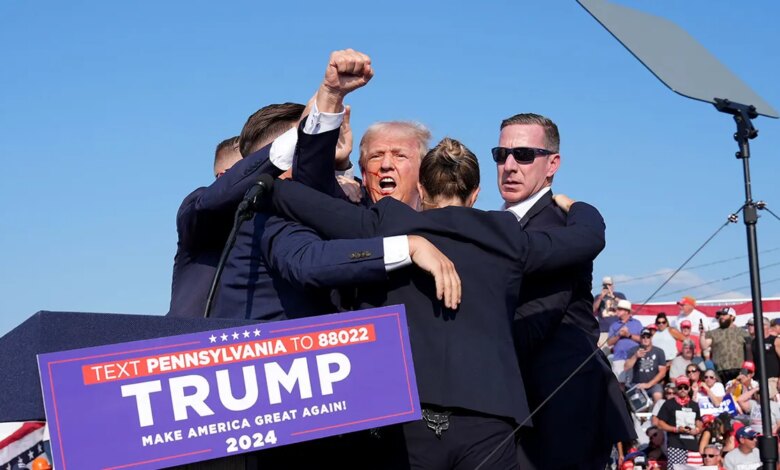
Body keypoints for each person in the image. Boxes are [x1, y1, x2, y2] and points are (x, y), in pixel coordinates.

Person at [265, 135, 607, 469]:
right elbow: (588, 237)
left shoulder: (388, 223)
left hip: (402, 417)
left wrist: (340, 182)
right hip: (488, 417)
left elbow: (289, 196)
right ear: (475, 194)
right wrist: (574, 206)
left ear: (422, 191)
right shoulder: (508, 237)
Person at [494, 112, 634, 468]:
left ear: (552, 163)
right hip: (525, 406)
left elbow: (533, 320)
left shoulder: (558, 225)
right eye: (501, 154)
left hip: (561, 409)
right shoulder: (498, 224)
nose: (509, 165)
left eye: (524, 155)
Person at [167, 136, 242, 317]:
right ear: (224, 176)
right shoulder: (199, 206)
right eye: (250, 169)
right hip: (189, 339)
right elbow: (205, 208)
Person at [655, 375, 703, 466]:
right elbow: (660, 423)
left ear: (689, 389)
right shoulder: (669, 404)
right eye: (680, 387)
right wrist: (676, 429)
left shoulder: (694, 405)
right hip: (676, 444)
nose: (683, 389)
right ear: (676, 389)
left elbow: (699, 422)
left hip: (692, 445)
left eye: (685, 387)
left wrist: (696, 430)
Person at [700, 306, 751, 383]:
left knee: (737, 393)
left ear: (732, 317)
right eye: (720, 315)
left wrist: (745, 370)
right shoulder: (713, 333)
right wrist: (702, 334)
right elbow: (704, 346)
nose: (721, 317)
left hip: (738, 370)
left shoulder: (743, 332)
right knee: (723, 394)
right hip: (720, 371)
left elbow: (749, 353)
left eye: (724, 315)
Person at [624, 327, 667, 402]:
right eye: (643, 337)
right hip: (637, 384)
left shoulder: (659, 351)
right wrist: (635, 356)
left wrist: (648, 385)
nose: (645, 339)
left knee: (658, 396)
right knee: (639, 405)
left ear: (651, 338)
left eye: (648, 337)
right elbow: (626, 368)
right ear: (640, 338)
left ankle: (656, 414)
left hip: (654, 384)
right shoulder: (633, 350)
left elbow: (662, 373)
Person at [607, 299, 644, 384]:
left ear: (626, 311)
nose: (617, 311)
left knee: (632, 382)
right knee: (620, 383)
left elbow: (642, 340)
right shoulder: (614, 325)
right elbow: (609, 342)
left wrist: (628, 335)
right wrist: (619, 335)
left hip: (633, 357)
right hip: (619, 357)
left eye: (620, 309)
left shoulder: (637, 323)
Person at [750, 315, 780, 392]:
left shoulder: (775, 340)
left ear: (765, 326)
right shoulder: (752, 342)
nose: (753, 327)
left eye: (754, 324)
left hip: (773, 379)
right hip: (757, 380)